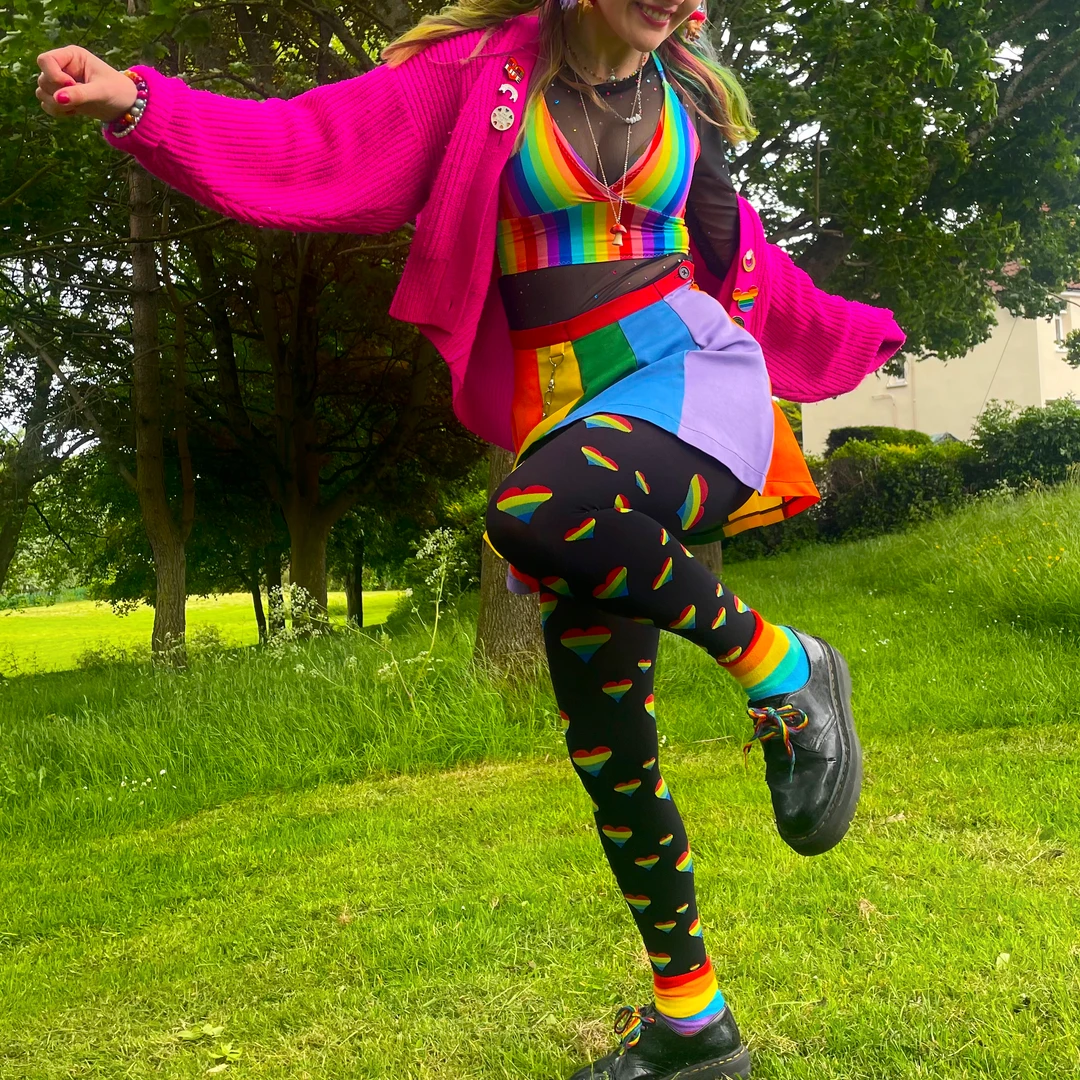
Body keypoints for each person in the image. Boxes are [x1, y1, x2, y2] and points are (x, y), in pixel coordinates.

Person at [36, 2, 903, 1075]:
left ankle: (786, 669)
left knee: (534, 514)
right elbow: (311, 140)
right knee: (608, 744)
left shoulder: (685, 101)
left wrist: (858, 331)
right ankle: (694, 1022)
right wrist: (141, 104)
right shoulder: (476, 78)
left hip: (686, 372)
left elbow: (750, 258)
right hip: (565, 411)